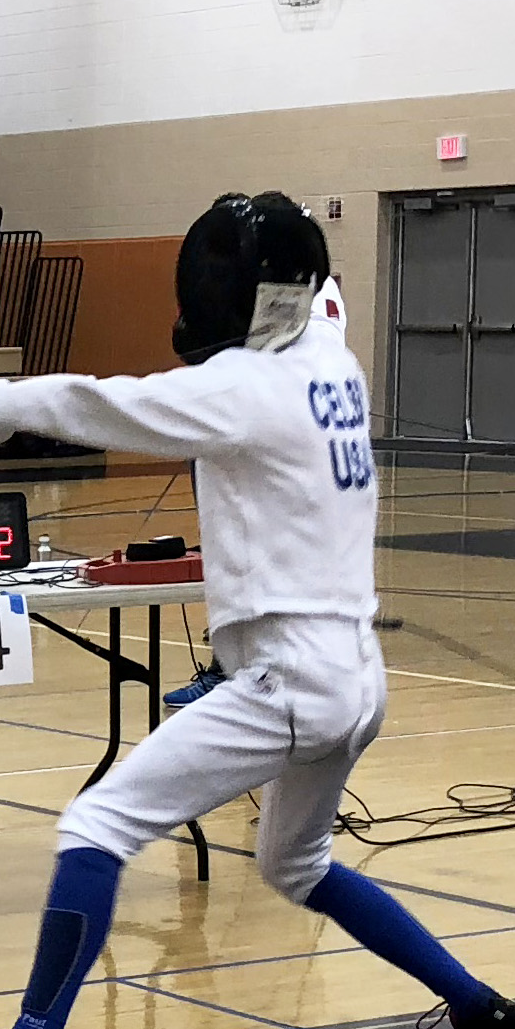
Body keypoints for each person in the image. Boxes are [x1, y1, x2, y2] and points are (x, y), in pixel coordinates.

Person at [0, 191, 515, 1029]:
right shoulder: (330, 355)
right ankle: (480, 1007)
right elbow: (318, 295)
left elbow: (77, 402)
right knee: (295, 865)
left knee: (96, 827)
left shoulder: (241, 392)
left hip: (288, 679)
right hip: (355, 678)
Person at [166, 262, 348, 708]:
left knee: (255, 552)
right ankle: (242, 666)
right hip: (268, 429)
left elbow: (264, 354)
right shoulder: (301, 287)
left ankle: (244, 672)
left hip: (271, 437)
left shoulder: (300, 293)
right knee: (237, 550)